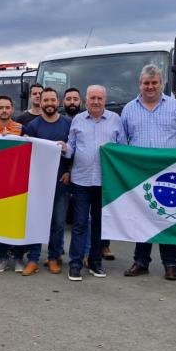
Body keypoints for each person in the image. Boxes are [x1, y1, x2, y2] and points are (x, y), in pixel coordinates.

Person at [121, 64, 176, 280]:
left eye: (154, 83)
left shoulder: (175, 106)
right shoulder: (128, 109)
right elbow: (122, 141)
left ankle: (170, 264)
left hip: (168, 172)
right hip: (139, 173)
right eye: (146, 83)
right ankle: (140, 262)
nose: (150, 87)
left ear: (161, 84)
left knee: (167, 216)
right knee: (142, 217)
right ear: (140, 85)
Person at [63, 85, 125, 281]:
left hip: (104, 182)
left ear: (105, 100)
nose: (96, 102)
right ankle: (75, 264)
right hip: (81, 181)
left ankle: (95, 263)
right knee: (80, 224)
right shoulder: (78, 120)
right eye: (92, 98)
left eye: (100, 98)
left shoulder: (115, 120)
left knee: (99, 224)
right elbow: (71, 147)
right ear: (86, 100)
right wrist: (63, 148)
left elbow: (122, 148)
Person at [23, 87, 72, 275]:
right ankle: (33, 259)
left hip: (61, 181)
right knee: (37, 221)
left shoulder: (68, 124)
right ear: (40, 102)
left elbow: (75, 149)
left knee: (58, 223)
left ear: (58, 102)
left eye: (53, 100)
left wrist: (69, 171)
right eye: (46, 100)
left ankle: (53, 258)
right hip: (39, 182)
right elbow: (28, 154)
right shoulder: (32, 126)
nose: (49, 104)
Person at [0, 95, 25, 273]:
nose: (4, 111)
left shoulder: (21, 128)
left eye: (7, 107)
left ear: (12, 109)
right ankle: (3, 258)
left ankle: (18, 258)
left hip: (17, 182)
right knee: (0, 222)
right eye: (0, 107)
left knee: (17, 221)